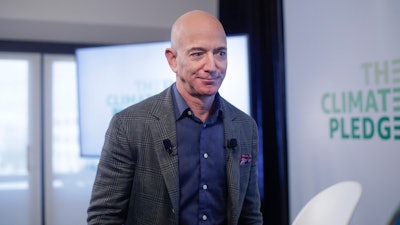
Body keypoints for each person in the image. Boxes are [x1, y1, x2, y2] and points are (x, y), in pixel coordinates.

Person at [87, 10, 263, 225]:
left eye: (220, 53)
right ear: (172, 59)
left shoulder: (245, 127)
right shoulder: (129, 125)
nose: (212, 66)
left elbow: (250, 215)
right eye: (198, 54)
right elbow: (104, 218)